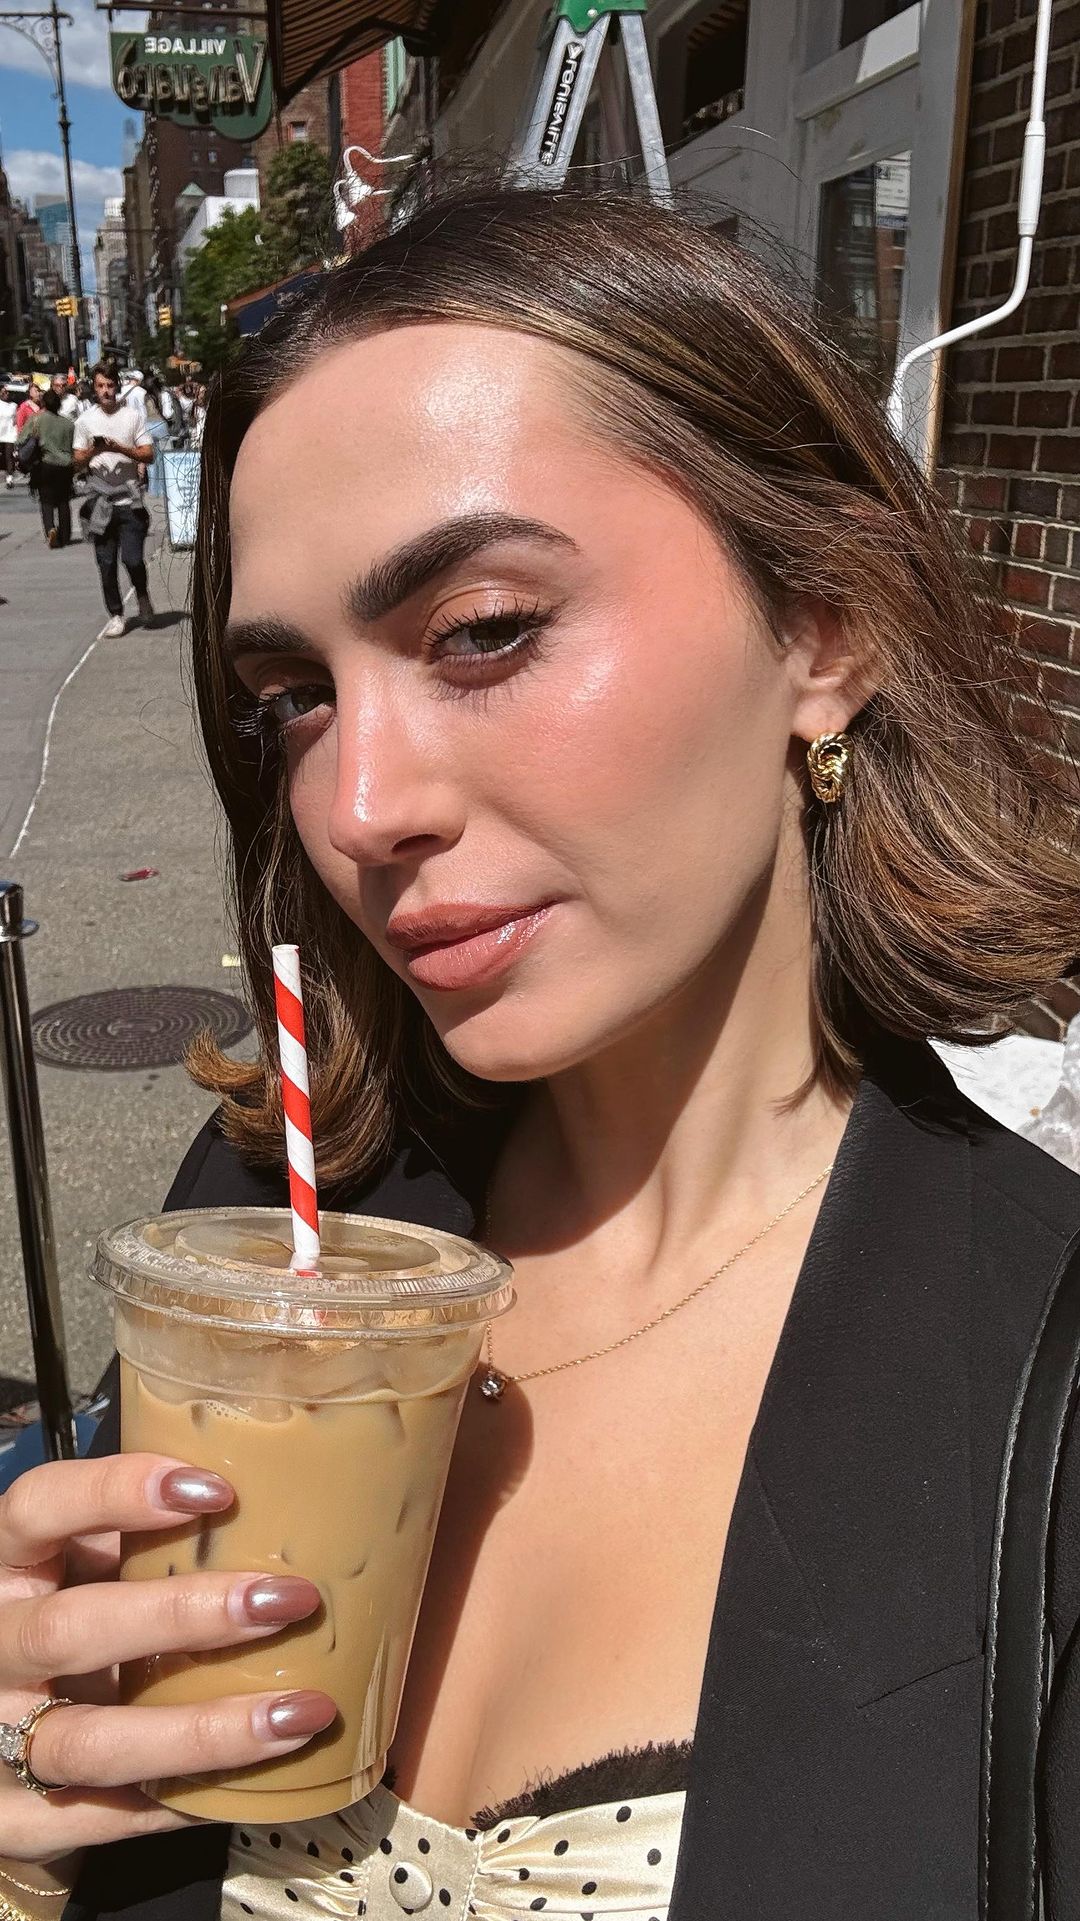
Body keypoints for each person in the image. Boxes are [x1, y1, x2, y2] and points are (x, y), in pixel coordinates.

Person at [1, 179, 1080, 1921]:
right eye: (295, 698)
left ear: (827, 627)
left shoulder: (1037, 1386)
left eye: (483, 632)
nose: (359, 806)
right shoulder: (284, 1218)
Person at [72, 362, 155, 635]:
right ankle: (116, 614)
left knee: (132, 559)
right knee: (106, 563)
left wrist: (120, 449)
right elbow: (77, 461)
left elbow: (148, 454)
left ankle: (142, 595)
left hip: (129, 501)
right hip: (100, 502)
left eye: (110, 385)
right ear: (93, 388)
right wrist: (95, 451)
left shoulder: (132, 417)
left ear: (117, 386)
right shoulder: (84, 421)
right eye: (100, 386)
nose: (106, 391)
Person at [18, 386, 75, 546]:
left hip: (45, 465)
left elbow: (21, 440)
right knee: (63, 501)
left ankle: (50, 528)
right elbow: (73, 447)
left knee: (46, 500)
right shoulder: (68, 424)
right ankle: (65, 535)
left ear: (44, 404)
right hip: (65, 466)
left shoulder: (36, 419)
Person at [0, 385, 16, 488]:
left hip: (9, 435)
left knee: (8, 456)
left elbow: (16, 421)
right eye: (3, 392)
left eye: (7, 392)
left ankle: (9, 478)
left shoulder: (13, 405)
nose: (6, 394)